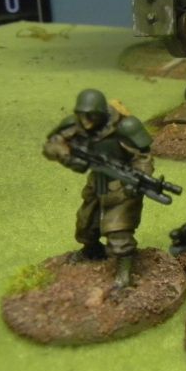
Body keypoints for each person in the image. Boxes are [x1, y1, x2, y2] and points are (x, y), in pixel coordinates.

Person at [42, 89, 154, 288]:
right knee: (86, 222)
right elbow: (52, 144)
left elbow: (143, 157)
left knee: (118, 228)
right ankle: (92, 250)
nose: (86, 123)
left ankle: (124, 276)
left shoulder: (126, 127)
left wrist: (137, 180)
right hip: (96, 180)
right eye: (82, 116)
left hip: (123, 184)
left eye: (91, 116)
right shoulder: (75, 124)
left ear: (102, 113)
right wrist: (66, 155)